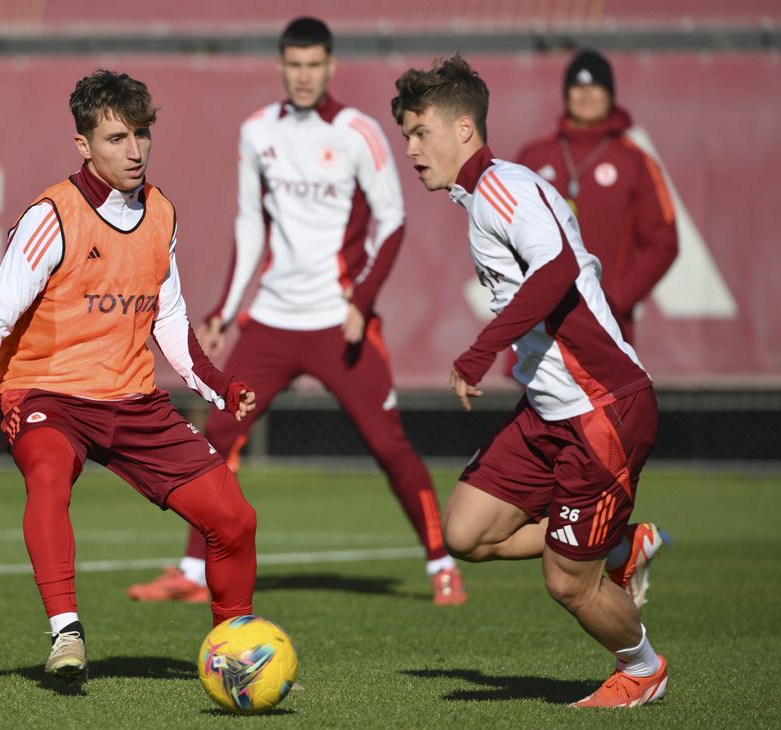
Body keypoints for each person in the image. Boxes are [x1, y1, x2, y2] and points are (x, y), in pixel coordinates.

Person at [128, 17, 466, 607]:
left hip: (339, 321)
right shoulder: (258, 130)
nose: (304, 75)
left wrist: (363, 300)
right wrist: (226, 309)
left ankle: (441, 565)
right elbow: (249, 225)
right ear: (282, 67)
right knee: (218, 432)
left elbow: (392, 220)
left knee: (388, 445)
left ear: (330, 66)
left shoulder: (359, 132)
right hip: (273, 321)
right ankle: (193, 570)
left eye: (314, 64)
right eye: (294, 64)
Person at [0, 70, 259, 683]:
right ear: (83, 144)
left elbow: (170, 319)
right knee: (49, 477)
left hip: (133, 400)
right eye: (117, 138)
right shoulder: (51, 216)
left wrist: (219, 384)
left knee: (235, 520)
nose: (135, 151)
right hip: (48, 394)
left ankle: (236, 653)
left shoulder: (161, 212)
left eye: (142, 134)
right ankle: (67, 633)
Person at [392, 55, 668, 707]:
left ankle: (643, 669)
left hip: (602, 410)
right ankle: (619, 543)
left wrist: (479, 352)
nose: (411, 149)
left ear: (464, 129)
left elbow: (558, 268)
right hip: (549, 410)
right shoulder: (482, 197)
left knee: (567, 582)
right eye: (406, 135)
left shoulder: (501, 188)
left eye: (421, 132)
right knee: (465, 533)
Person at [517, 49, 677, 344]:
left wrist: (617, 298)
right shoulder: (534, 156)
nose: (586, 95)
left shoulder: (634, 161)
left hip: (605, 326)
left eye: (595, 87)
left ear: (610, 94)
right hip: (539, 326)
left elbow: (663, 242)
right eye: (578, 87)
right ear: (566, 95)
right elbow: (506, 231)